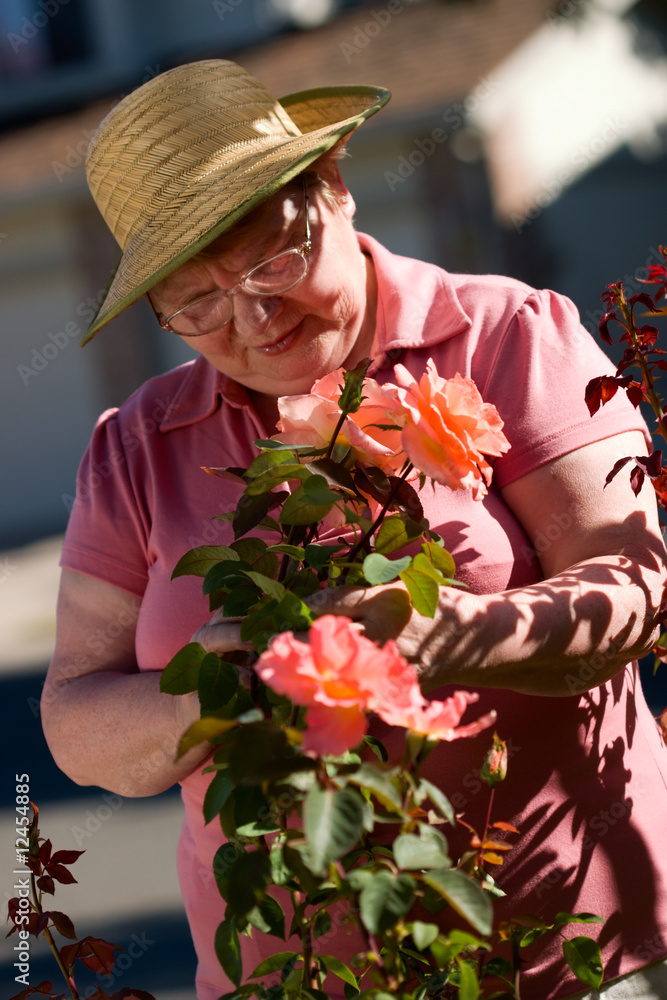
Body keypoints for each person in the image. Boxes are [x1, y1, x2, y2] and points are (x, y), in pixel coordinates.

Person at [41, 59, 667, 1000]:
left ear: (332, 188)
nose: (254, 321)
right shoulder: (135, 445)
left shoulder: (506, 336)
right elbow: (76, 719)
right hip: (284, 975)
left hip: (562, 949)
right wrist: (230, 678)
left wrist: (441, 635)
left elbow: (634, 590)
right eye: (197, 303)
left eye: (272, 262)